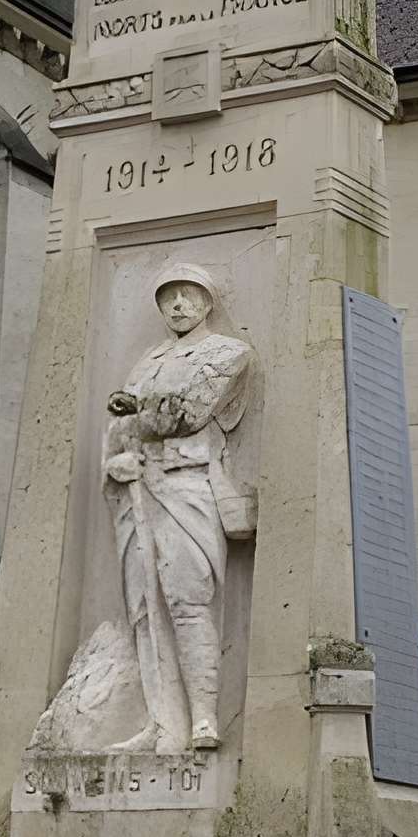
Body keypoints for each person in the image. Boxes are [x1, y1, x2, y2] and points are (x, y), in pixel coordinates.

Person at [103, 265, 253, 754]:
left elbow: (189, 413)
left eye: (189, 296)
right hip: (138, 492)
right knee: (145, 609)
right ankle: (162, 722)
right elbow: (120, 427)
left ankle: (204, 719)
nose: (179, 306)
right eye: (170, 299)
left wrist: (136, 414)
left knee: (188, 601)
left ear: (208, 302)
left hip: (186, 489)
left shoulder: (226, 353)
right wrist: (116, 458)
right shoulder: (148, 360)